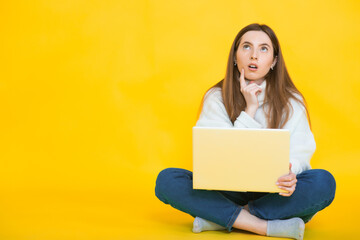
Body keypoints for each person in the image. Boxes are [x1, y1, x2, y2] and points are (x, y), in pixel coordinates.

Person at [154, 23, 336, 240]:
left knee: (324, 182)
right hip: (225, 189)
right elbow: (218, 156)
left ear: (274, 61)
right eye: (247, 47)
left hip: (272, 192)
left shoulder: (292, 102)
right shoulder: (216, 97)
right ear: (235, 57)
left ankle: (222, 218)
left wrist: (290, 173)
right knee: (167, 180)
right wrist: (249, 109)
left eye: (264, 49)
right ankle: (264, 226)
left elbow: (300, 153)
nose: (254, 56)